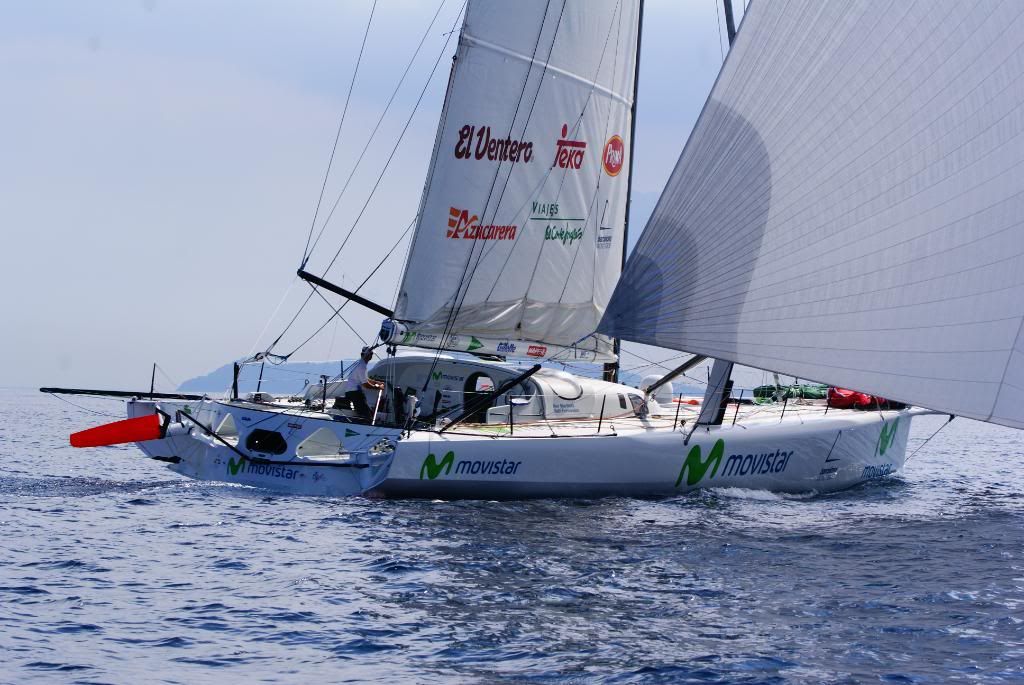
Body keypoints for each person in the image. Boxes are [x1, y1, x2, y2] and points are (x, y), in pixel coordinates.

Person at [342, 347, 384, 420]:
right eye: (371, 354)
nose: (371, 356)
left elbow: (365, 379)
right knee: (366, 415)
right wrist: (378, 387)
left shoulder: (359, 363)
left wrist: (377, 382)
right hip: (355, 392)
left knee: (366, 412)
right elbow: (365, 385)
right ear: (367, 355)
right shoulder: (362, 366)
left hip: (349, 391)